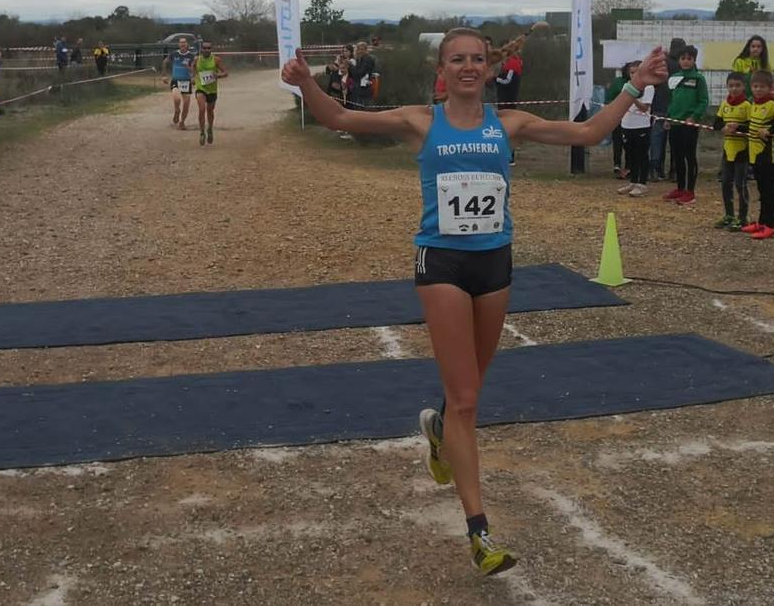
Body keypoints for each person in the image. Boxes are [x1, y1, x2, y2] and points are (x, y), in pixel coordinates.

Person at [280, 28, 669, 577]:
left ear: (490, 69)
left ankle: (439, 433)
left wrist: (634, 87)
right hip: (440, 262)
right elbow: (342, 119)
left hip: (495, 264)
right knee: (466, 399)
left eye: (477, 60)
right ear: (441, 69)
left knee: (470, 393)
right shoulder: (420, 120)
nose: (468, 67)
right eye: (457, 59)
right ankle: (479, 531)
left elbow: (589, 133)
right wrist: (305, 88)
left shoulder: (510, 124)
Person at [740, 71, 774, 240]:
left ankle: (770, 225)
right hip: (755, 154)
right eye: (755, 87)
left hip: (770, 154)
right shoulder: (753, 105)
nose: (758, 90)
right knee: (762, 189)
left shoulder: (773, 105)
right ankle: (761, 222)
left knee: (770, 191)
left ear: (770, 88)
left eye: (762, 87)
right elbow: (751, 125)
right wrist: (737, 127)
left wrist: (770, 131)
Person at [664, 45, 709, 205]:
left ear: (694, 60)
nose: (686, 61)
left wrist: (694, 116)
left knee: (689, 156)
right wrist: (668, 118)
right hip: (675, 123)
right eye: (683, 58)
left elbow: (703, 101)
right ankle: (680, 188)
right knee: (677, 157)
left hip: (689, 124)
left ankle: (690, 191)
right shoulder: (674, 77)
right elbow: (671, 99)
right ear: (679, 60)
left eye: (689, 58)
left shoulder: (698, 78)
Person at [712, 72, 751, 230]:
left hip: (742, 151)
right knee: (725, 183)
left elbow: (752, 126)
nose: (734, 89)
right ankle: (729, 215)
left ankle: (743, 218)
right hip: (727, 150)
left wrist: (738, 127)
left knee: (740, 184)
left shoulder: (747, 106)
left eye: (738, 86)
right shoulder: (725, 105)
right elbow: (716, 123)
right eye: (731, 86)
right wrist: (723, 127)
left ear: (743, 87)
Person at [648, 38, 684, 182]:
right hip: (675, 108)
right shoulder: (683, 66)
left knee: (657, 140)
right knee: (675, 142)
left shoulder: (663, 62)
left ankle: (656, 169)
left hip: (660, 105)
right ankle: (674, 171)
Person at [617, 61, 654, 197]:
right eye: (631, 72)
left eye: (637, 72)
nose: (634, 75)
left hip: (641, 125)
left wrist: (632, 97)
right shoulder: (626, 86)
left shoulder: (648, 87)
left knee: (642, 155)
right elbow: (621, 103)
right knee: (630, 155)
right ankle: (632, 181)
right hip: (627, 124)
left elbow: (645, 107)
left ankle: (642, 183)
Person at [191, 41, 228, 146]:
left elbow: (226, 72)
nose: (206, 50)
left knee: (210, 111)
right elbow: (193, 67)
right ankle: (202, 132)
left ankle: (210, 129)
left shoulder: (216, 60)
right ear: (201, 49)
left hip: (212, 89)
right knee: (201, 109)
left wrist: (218, 75)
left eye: (208, 48)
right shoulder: (197, 59)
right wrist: (193, 77)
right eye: (205, 48)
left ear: (211, 49)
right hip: (200, 87)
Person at [495, 46, 523, 165]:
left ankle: (510, 156)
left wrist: (495, 79)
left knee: (508, 129)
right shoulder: (507, 65)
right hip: (503, 100)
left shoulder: (512, 65)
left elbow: (507, 81)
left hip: (509, 100)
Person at [163, 37, 198, 129]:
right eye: (181, 42)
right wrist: (164, 75)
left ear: (187, 44)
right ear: (179, 44)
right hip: (175, 80)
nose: (182, 44)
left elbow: (194, 70)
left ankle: (182, 122)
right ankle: (177, 110)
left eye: (184, 42)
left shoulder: (191, 56)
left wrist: (193, 76)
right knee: (177, 98)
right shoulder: (174, 54)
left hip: (186, 81)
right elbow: (165, 62)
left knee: (186, 104)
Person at [605, 65, 629, 179]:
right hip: (618, 115)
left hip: (631, 117)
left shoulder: (639, 82)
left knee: (629, 143)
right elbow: (609, 97)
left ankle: (629, 165)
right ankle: (617, 164)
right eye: (631, 71)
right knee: (617, 140)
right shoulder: (618, 82)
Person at [731, 35, 772, 99]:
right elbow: (735, 80)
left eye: (759, 47)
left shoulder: (765, 64)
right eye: (753, 46)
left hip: (760, 97)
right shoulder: (740, 61)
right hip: (743, 96)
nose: (756, 49)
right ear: (748, 48)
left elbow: (769, 82)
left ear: (763, 49)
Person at [351, 42, 377, 110]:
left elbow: (359, 73)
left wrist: (351, 66)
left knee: (363, 109)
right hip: (359, 88)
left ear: (366, 50)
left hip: (364, 89)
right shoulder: (359, 59)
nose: (360, 51)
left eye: (362, 49)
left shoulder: (367, 59)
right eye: (359, 49)